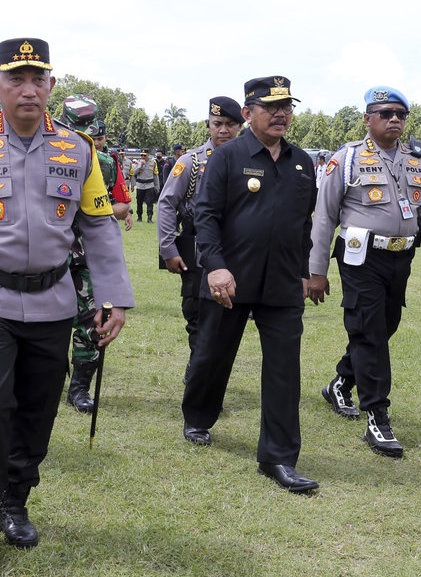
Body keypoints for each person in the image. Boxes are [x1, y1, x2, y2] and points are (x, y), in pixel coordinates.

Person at [0, 38, 133, 573]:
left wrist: (113, 296)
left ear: (51, 85)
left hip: (53, 304)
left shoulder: (78, 150)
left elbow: (99, 226)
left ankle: (17, 499)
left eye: (39, 78)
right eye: (16, 79)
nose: (29, 89)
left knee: (38, 410)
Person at [181, 76, 319, 493]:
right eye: (270, 107)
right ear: (248, 113)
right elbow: (205, 215)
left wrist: (304, 270)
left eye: (286, 107)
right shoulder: (227, 156)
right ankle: (198, 417)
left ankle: (278, 457)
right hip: (230, 279)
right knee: (212, 355)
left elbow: (304, 222)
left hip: (282, 282)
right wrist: (215, 267)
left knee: (284, 369)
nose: (281, 114)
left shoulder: (302, 161)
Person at [308, 86, 421, 459]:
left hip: (400, 258)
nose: (395, 120)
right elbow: (324, 216)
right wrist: (316, 270)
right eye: (386, 113)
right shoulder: (347, 159)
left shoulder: (416, 159)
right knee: (370, 332)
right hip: (361, 258)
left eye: (401, 114)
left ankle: (341, 383)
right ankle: (378, 417)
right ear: (367, 118)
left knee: (383, 327)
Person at [58, 96, 131, 412]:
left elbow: (118, 206)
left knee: (91, 321)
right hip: (50, 255)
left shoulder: (105, 163)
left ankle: (79, 388)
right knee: (47, 322)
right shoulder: (40, 155)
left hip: (86, 253)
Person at [157, 97, 242, 358]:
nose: (224, 130)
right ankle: (195, 372)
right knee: (197, 316)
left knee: (229, 319)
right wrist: (168, 249)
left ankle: (210, 371)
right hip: (197, 249)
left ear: (241, 126)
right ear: (208, 124)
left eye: (230, 124)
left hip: (236, 249)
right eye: (218, 124)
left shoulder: (248, 161)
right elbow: (167, 203)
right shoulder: (192, 162)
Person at [133, 149, 159, 222]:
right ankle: (139, 217)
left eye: (144, 155)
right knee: (139, 202)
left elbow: (155, 175)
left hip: (149, 185)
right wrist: (140, 165)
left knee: (150, 202)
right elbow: (134, 173)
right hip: (140, 185)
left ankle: (149, 217)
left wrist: (157, 186)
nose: (143, 157)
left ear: (148, 155)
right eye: (141, 155)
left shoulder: (153, 162)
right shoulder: (137, 162)